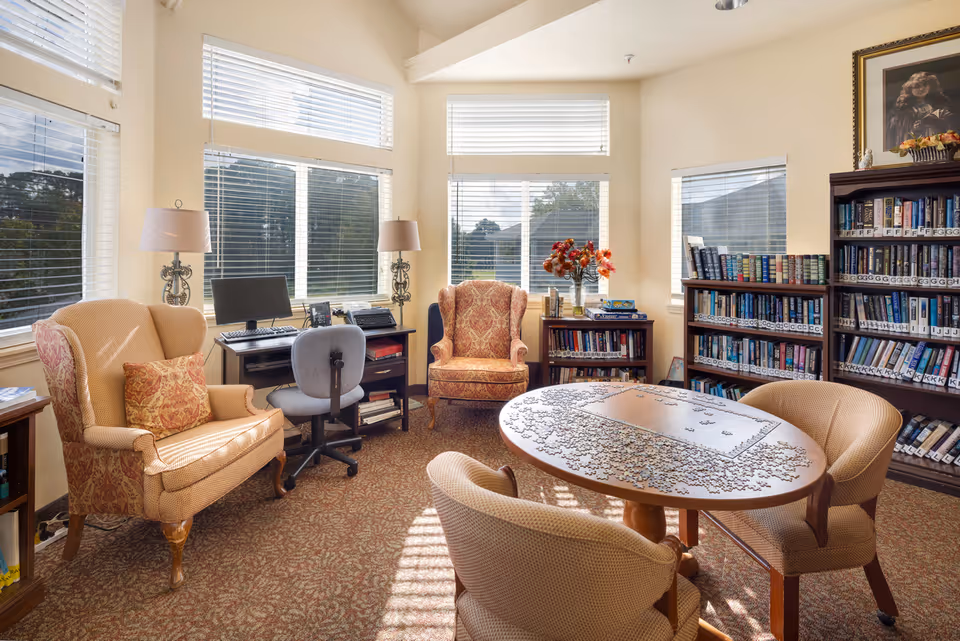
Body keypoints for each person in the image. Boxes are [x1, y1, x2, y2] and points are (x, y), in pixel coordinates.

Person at [887, 71, 957, 147]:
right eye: (916, 86)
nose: (921, 89)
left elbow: (951, 126)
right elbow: (898, 134)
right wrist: (913, 128)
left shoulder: (940, 107)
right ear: (910, 88)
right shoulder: (902, 112)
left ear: (930, 86)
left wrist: (934, 122)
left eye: (924, 85)